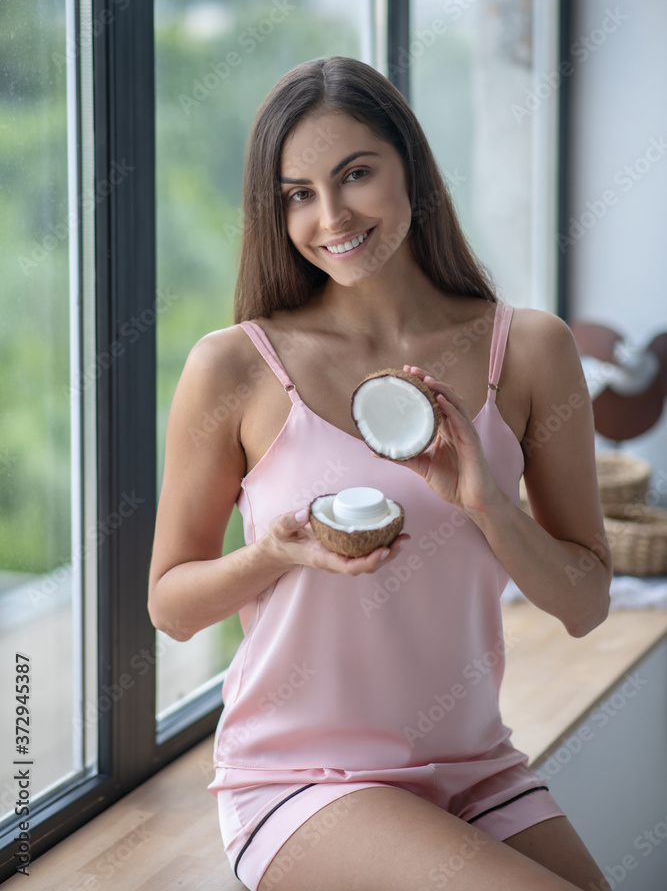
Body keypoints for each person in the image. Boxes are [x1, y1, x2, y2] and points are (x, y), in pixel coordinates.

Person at [148, 55, 613, 891]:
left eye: (355, 173)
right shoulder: (234, 368)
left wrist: (486, 505)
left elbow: (583, 604)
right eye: (297, 193)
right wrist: (274, 556)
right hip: (303, 781)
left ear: (410, 166)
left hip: (475, 768)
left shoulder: (532, 350)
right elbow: (170, 605)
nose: (331, 215)